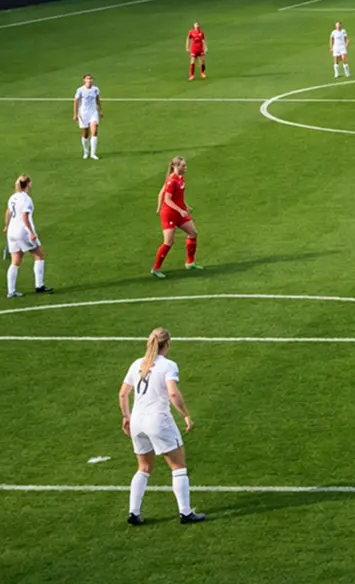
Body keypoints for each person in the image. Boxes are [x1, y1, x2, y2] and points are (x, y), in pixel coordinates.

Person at [119, 327, 206, 525]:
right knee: (178, 466)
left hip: (138, 422)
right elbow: (173, 394)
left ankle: (134, 512)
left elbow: (123, 393)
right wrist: (186, 415)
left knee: (143, 467)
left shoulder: (137, 364)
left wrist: (127, 417)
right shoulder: (168, 366)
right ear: (167, 345)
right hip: (158, 421)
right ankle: (185, 512)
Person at [153, 156, 202, 278]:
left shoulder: (180, 178)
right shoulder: (172, 180)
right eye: (183, 166)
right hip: (170, 214)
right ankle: (155, 268)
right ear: (175, 166)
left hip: (180, 212)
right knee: (168, 242)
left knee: (193, 233)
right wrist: (179, 210)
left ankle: (190, 263)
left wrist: (185, 205)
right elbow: (167, 199)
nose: (186, 168)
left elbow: (173, 195)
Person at [3, 174, 51, 297]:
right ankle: (39, 285)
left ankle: (11, 291)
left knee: (15, 261)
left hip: (12, 232)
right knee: (39, 255)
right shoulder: (26, 199)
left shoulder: (13, 197)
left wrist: (7, 226)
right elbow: (25, 217)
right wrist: (31, 233)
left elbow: (8, 212)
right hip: (22, 232)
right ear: (28, 184)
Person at [73, 73, 103, 159]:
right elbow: (75, 101)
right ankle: (86, 152)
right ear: (84, 80)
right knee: (85, 134)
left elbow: (97, 100)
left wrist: (100, 110)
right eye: (87, 79)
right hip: (83, 114)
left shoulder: (95, 89)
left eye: (91, 78)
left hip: (93, 112)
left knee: (94, 131)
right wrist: (75, 114)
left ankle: (93, 154)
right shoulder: (80, 90)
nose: (89, 80)